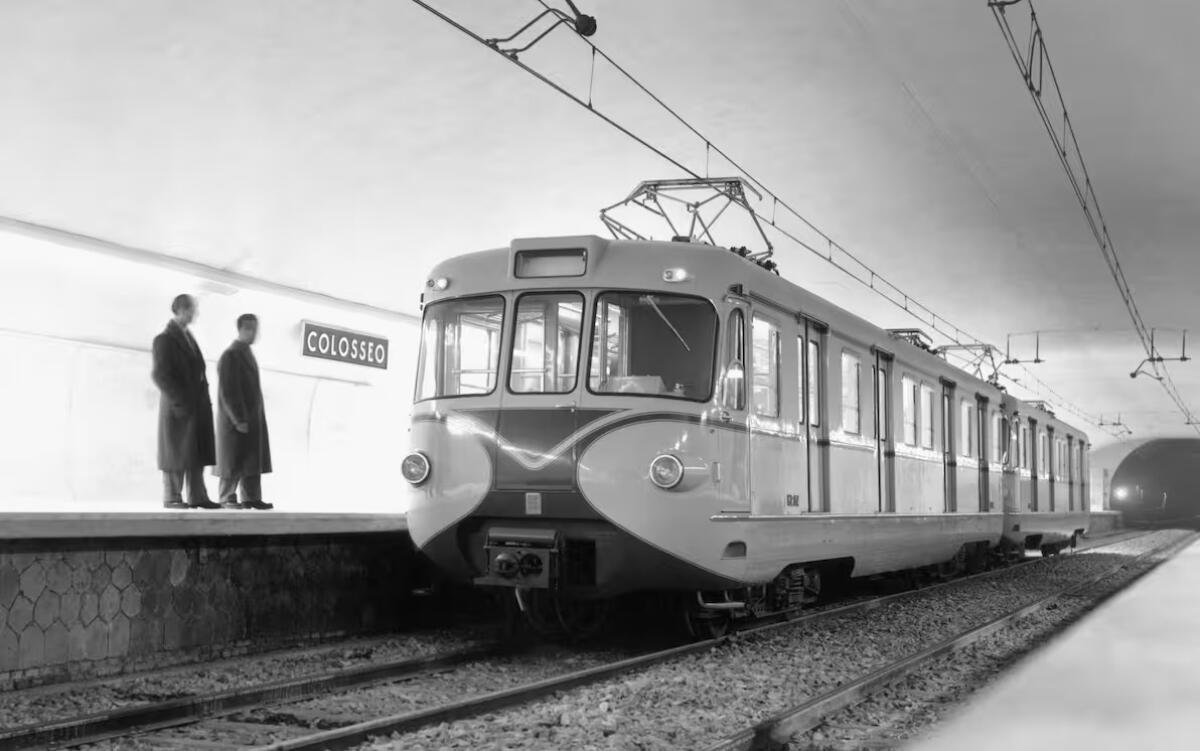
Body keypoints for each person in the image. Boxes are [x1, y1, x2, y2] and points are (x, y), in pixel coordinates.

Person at [151, 294, 219, 509]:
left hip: (195, 407)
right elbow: (160, 375)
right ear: (181, 309)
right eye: (192, 309)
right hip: (178, 408)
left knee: (194, 453)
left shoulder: (188, 337)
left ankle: (198, 496)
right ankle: (172, 497)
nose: (195, 314)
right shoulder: (165, 339)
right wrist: (181, 401)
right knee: (176, 454)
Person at [214, 314, 274, 510]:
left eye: (255, 328)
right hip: (236, 420)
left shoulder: (246, 353)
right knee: (234, 459)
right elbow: (228, 390)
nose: (253, 332)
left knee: (250, 459)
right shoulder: (231, 355)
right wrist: (238, 418)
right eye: (249, 328)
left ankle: (251, 497)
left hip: (251, 419)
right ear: (240, 329)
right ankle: (226, 497)